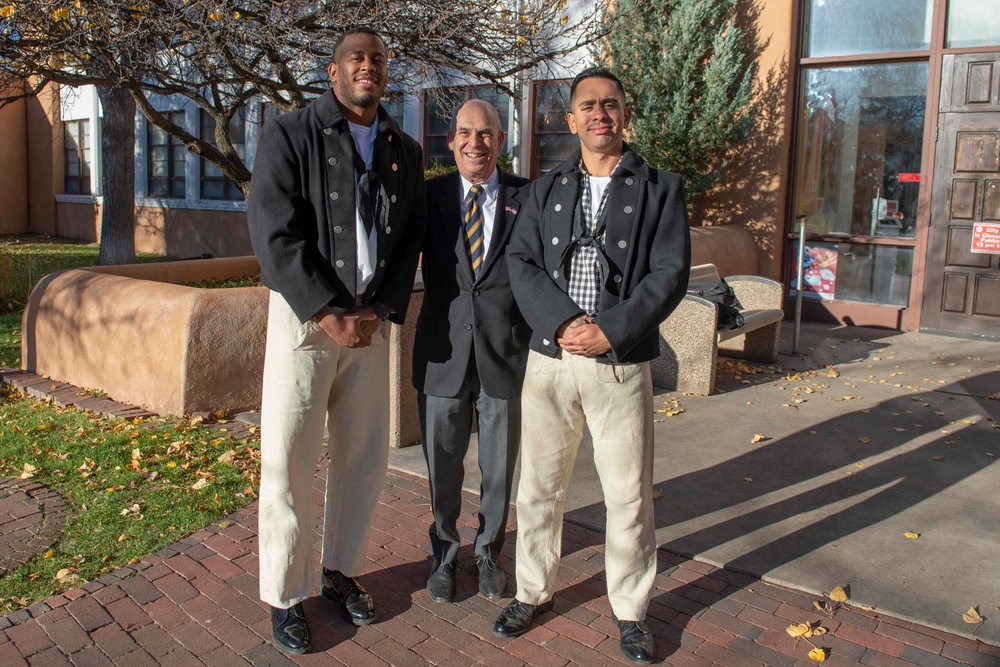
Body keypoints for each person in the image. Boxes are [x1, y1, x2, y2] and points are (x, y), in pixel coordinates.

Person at [495, 66, 691, 665]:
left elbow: (669, 274)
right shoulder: (545, 189)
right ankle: (533, 591)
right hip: (550, 361)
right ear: (571, 118)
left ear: (624, 115)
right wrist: (561, 323)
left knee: (629, 496)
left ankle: (631, 611)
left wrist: (611, 328)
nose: (600, 112)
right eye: (588, 104)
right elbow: (521, 263)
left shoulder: (660, 187)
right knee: (538, 490)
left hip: (620, 363)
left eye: (610, 103)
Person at [247, 27, 426, 655]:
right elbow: (274, 234)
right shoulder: (290, 134)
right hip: (306, 323)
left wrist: (378, 310)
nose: (368, 68)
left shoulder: (403, 147)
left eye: (378, 59)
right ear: (333, 71)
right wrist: (328, 312)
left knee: (363, 458)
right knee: (289, 462)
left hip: (369, 327)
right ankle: (286, 595)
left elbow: (409, 240)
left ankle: (338, 571)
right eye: (357, 58)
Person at [413, 99, 531, 603]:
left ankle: (488, 552)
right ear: (451, 141)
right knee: (443, 465)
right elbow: (394, 258)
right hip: (442, 355)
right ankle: (443, 553)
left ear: (501, 141)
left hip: (505, 353)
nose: (474, 142)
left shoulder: (529, 197)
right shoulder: (428, 197)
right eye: (465, 133)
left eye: (485, 134)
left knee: (500, 468)